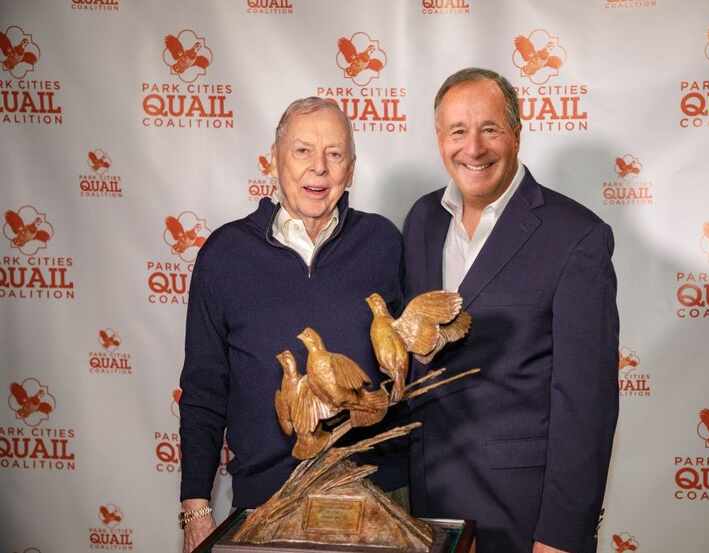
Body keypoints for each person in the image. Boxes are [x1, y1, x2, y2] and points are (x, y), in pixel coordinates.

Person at [402, 68, 619, 553]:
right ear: (440, 139)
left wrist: (562, 533)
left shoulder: (576, 237)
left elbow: (587, 403)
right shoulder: (421, 221)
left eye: (490, 129)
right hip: (428, 504)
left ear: (517, 133)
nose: (473, 148)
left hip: (523, 514)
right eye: (457, 131)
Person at [178, 97, 406, 552]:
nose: (318, 168)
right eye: (303, 151)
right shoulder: (224, 254)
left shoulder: (384, 242)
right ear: (273, 159)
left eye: (335, 154)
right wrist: (196, 510)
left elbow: (414, 370)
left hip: (374, 506)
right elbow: (204, 391)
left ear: (352, 168)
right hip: (264, 506)